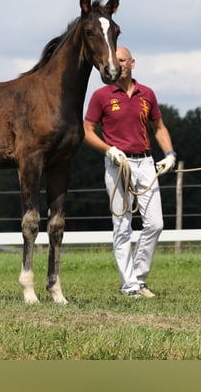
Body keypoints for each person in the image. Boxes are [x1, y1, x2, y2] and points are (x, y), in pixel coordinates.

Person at [83, 46, 177, 298]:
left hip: (146, 162)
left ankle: (139, 277)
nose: (119, 64)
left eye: (123, 60)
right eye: (115, 61)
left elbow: (159, 127)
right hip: (117, 165)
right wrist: (108, 150)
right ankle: (131, 285)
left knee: (155, 224)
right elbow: (87, 131)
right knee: (122, 226)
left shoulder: (147, 94)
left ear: (132, 63)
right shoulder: (101, 96)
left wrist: (170, 155)